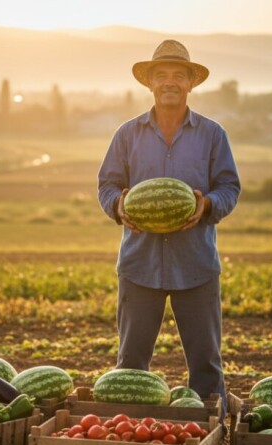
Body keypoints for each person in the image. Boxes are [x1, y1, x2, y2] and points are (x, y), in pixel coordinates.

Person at [97, 39, 241, 416]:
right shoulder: (127, 134)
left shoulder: (213, 135)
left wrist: (206, 204)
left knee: (207, 366)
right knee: (130, 365)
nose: (170, 82)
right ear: (150, 83)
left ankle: (213, 443)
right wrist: (119, 205)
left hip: (196, 266)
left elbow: (229, 187)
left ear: (191, 83)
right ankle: (128, 442)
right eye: (161, 75)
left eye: (179, 75)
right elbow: (107, 185)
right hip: (139, 266)